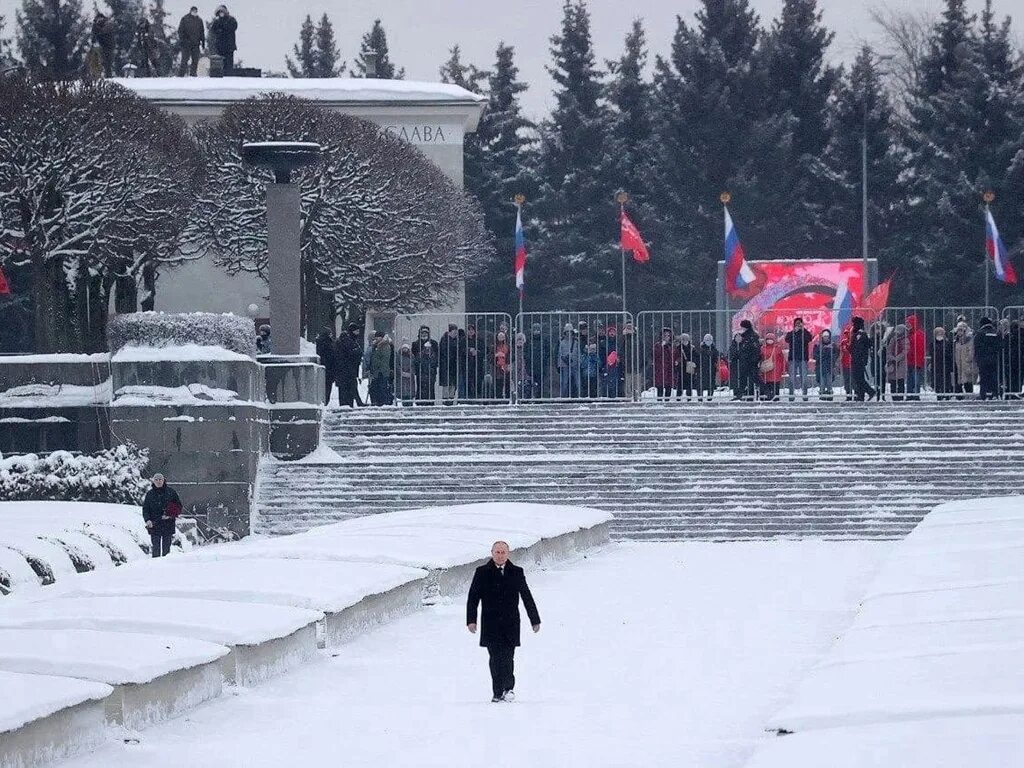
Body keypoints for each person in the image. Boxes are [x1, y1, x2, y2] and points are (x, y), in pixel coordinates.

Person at [466, 541, 541, 703]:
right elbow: (473, 598)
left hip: (511, 623)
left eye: (503, 552)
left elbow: (526, 596)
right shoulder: (482, 572)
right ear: (492, 553)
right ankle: (497, 691)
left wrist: (534, 620)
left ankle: (508, 688)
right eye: (497, 552)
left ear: (508, 553)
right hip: (490, 623)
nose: (500, 555)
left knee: (508, 656)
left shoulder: (516, 572)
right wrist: (471, 620)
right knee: (494, 657)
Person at [142, 473, 181, 558]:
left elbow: (179, 506)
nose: (158, 481)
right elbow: (145, 509)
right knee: (155, 548)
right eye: (156, 479)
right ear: (153, 481)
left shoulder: (171, 492)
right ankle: (155, 568)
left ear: (164, 480)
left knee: (166, 550)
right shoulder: (150, 494)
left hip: (168, 524)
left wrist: (170, 515)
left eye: (160, 479)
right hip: (154, 524)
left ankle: (166, 568)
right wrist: (147, 520)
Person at [784, 317, 813, 400]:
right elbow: (787, 339)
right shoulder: (791, 333)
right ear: (794, 325)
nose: (798, 325)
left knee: (804, 377)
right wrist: (794, 332)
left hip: (803, 358)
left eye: (800, 323)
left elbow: (810, 338)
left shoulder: (805, 333)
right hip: (793, 358)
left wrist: (804, 330)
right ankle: (791, 395)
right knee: (791, 377)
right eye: (796, 323)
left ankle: (804, 394)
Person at [335, 323, 364, 408]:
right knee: (350, 387)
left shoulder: (348, 341)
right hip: (347, 369)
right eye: (356, 331)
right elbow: (351, 354)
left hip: (346, 370)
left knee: (347, 388)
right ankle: (355, 403)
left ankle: (350, 403)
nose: (358, 333)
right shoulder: (348, 341)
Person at [850, 316, 878, 401]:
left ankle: (870, 391)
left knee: (859, 378)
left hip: (858, 360)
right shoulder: (860, 333)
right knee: (858, 378)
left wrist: (858, 357)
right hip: (858, 359)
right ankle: (861, 395)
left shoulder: (860, 334)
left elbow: (859, 348)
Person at [974, 317, 1000, 400]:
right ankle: (995, 393)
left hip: (983, 359)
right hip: (994, 358)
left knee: (984, 377)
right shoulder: (995, 332)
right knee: (994, 376)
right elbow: (999, 345)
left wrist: (977, 358)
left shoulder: (980, 333)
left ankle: (983, 394)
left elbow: (976, 346)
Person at [438, 323, 465, 404]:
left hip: (454, 365)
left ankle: (451, 399)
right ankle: (446, 401)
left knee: (453, 385)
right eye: (454, 332)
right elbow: (444, 352)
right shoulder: (444, 339)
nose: (455, 334)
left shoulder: (457, 340)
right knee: (446, 385)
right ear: (450, 332)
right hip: (446, 365)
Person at [523, 323, 551, 399]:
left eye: (537, 329)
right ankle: (528, 398)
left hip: (541, 365)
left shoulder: (544, 339)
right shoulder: (529, 340)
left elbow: (548, 351)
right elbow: (525, 351)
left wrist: (544, 358)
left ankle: (539, 398)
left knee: (540, 383)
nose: (536, 331)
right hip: (530, 365)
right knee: (529, 383)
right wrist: (528, 358)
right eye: (534, 329)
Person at [411, 326, 439, 403]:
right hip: (420, 370)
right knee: (420, 387)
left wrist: (433, 364)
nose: (424, 334)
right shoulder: (415, 344)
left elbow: (437, 357)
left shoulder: (434, 343)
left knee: (431, 388)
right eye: (422, 332)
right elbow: (413, 358)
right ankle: (420, 403)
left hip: (431, 370)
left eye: (426, 332)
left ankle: (430, 403)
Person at [736, 320, 761, 401]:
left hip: (750, 361)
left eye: (742, 327)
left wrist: (754, 359)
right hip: (747, 360)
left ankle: (766, 393)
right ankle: (740, 395)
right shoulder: (745, 336)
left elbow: (754, 349)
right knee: (746, 379)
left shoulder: (752, 336)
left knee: (752, 379)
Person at [177, 6, 205, 77]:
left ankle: (193, 74)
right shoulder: (185, 19)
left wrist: (203, 42)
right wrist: (183, 40)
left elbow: (202, 32)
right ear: (190, 11)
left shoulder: (199, 20)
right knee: (184, 60)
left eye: (196, 11)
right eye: (193, 10)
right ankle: (181, 75)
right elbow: (180, 31)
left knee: (195, 60)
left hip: (196, 44)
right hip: (186, 44)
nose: (194, 12)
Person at [368, 333, 395, 406]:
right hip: (378, 370)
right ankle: (379, 401)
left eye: (377, 337)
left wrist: (376, 364)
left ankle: (384, 402)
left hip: (382, 370)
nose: (376, 338)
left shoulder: (384, 346)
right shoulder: (376, 346)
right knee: (377, 387)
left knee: (382, 387)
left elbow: (383, 358)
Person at [885, 323, 909, 401]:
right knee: (893, 382)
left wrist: (897, 358)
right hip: (892, 363)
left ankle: (900, 397)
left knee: (900, 381)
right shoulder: (893, 339)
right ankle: (894, 397)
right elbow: (889, 350)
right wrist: (891, 358)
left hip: (901, 364)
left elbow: (905, 351)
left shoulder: (905, 340)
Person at [905, 315, 926, 400]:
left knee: (914, 379)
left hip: (915, 361)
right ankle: (911, 394)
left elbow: (918, 349)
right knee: (910, 379)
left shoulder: (918, 334)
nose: (907, 325)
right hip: (911, 360)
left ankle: (915, 394)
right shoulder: (912, 334)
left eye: (908, 323)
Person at [210, 5, 238, 71]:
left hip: (229, 45)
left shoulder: (231, 20)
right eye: (220, 12)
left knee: (229, 63)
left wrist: (224, 29)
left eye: (222, 12)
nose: (221, 14)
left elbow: (234, 27)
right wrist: (219, 31)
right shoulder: (217, 21)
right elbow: (213, 30)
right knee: (220, 63)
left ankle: (229, 74)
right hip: (220, 45)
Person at [953, 321, 976, 398]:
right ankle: (959, 396)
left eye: (961, 330)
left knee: (968, 381)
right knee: (958, 380)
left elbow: (971, 351)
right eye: (958, 330)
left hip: (966, 364)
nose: (959, 332)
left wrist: (967, 359)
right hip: (958, 363)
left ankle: (969, 395)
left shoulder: (969, 340)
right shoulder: (956, 341)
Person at [652, 327, 676, 401]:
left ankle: (667, 401)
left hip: (669, 369)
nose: (666, 337)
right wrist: (662, 346)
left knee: (668, 386)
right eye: (664, 335)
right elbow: (655, 355)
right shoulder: (657, 345)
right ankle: (659, 401)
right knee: (660, 386)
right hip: (660, 368)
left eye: (668, 336)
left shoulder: (672, 345)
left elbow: (675, 355)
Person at [759, 333, 785, 401]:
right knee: (767, 384)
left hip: (775, 370)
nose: (769, 340)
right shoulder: (762, 348)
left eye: (771, 339)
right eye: (768, 339)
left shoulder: (777, 348)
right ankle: (767, 397)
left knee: (774, 385)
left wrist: (783, 369)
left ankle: (774, 398)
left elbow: (782, 359)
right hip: (767, 370)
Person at [931, 327, 955, 400]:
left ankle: (947, 394)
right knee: (937, 380)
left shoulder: (948, 343)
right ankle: (939, 394)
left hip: (946, 364)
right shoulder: (933, 343)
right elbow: (932, 354)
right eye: (938, 333)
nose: (939, 335)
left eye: (941, 333)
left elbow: (950, 353)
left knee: (946, 380)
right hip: (936, 364)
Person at [557, 324, 580, 399]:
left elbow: (578, 353)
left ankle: (580, 397)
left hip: (575, 364)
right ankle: (563, 398)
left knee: (578, 382)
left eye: (570, 331)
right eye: (567, 331)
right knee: (564, 383)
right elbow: (559, 354)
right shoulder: (562, 342)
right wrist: (559, 365)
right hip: (564, 365)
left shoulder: (576, 342)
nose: (568, 333)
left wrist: (579, 362)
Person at [315, 326, 336, 405]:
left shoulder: (320, 342)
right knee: (328, 387)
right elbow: (331, 355)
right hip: (329, 368)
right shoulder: (329, 343)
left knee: (324, 387)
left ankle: (324, 401)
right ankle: (325, 401)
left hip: (324, 367)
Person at [814, 329, 837, 400]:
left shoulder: (833, 345)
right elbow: (815, 355)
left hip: (829, 367)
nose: (826, 338)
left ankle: (830, 394)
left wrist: (831, 357)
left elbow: (836, 354)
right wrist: (823, 353)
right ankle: (822, 394)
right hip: (821, 366)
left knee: (829, 381)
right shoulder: (818, 345)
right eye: (824, 337)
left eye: (827, 336)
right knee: (822, 382)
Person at [600, 325, 621, 399]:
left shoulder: (618, 343)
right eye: (610, 332)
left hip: (615, 365)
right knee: (606, 381)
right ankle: (605, 397)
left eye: (613, 332)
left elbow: (620, 352)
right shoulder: (603, 343)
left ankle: (614, 397)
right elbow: (602, 354)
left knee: (615, 381)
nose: (612, 333)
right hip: (606, 365)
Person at [91, 12, 115, 77]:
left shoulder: (108, 24)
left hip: (108, 46)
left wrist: (97, 27)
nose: (98, 21)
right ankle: (96, 75)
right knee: (97, 61)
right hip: (101, 46)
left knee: (107, 63)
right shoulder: (98, 25)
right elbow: (94, 36)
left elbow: (104, 32)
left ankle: (108, 76)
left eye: (99, 20)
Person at [620, 322, 640, 400]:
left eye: (630, 327)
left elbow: (642, 350)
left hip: (637, 365)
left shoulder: (637, 339)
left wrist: (642, 364)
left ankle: (637, 399)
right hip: (627, 365)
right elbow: (621, 350)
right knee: (627, 385)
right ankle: (628, 399)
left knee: (637, 385)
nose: (629, 329)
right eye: (627, 327)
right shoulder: (623, 339)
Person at [697, 334, 719, 402]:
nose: (708, 341)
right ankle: (700, 398)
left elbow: (716, 359)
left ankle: (710, 398)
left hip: (711, 369)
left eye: (710, 340)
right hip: (702, 369)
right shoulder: (700, 349)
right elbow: (697, 358)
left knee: (711, 384)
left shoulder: (714, 349)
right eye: (707, 340)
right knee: (700, 384)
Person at [839, 326, 853, 400]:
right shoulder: (843, 342)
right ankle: (848, 394)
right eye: (845, 334)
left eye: (848, 333)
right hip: (845, 364)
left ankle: (854, 394)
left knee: (852, 380)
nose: (847, 335)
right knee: (846, 380)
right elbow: (841, 353)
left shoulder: (853, 341)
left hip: (852, 364)